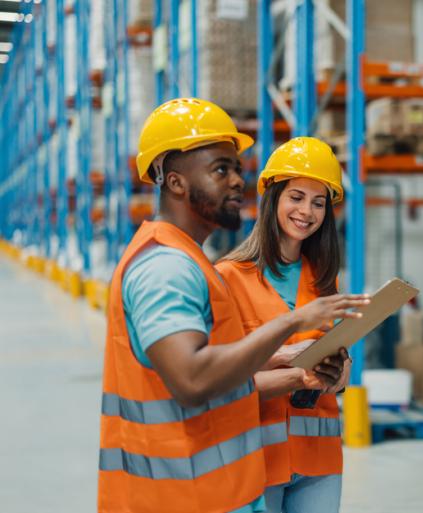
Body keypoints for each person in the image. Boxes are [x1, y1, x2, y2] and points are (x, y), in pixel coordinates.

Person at [97, 100, 369, 513]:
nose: (237, 182)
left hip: (283, 462)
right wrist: (296, 361)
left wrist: (331, 371)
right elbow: (197, 381)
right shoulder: (178, 269)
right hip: (191, 482)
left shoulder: (312, 276)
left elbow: (219, 369)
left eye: (237, 169)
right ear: (174, 182)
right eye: (221, 170)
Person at [216, 137, 350, 513]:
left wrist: (338, 372)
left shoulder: (323, 280)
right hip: (256, 456)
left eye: (319, 202)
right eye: (296, 197)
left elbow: (340, 369)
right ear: (273, 198)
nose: (307, 211)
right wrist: (291, 362)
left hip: (319, 462)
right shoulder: (228, 278)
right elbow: (218, 375)